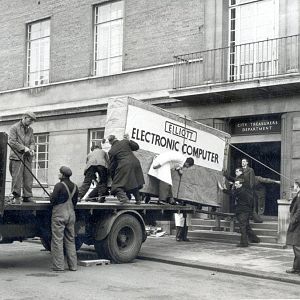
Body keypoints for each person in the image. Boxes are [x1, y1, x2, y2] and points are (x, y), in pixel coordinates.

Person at [50, 166, 79, 272]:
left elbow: (52, 201)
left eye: (59, 173)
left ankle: (58, 266)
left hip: (59, 215)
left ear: (62, 175)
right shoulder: (75, 186)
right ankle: (73, 266)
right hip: (71, 215)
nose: (58, 174)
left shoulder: (59, 186)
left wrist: (51, 195)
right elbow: (75, 203)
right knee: (71, 240)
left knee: (57, 240)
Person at [8, 111, 37, 204]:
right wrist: (24, 148)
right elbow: (12, 142)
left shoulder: (30, 130)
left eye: (32, 121)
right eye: (30, 120)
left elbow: (32, 142)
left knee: (28, 177)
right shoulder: (14, 128)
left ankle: (27, 196)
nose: (31, 122)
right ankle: (16, 196)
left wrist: (32, 149)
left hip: (27, 157)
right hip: (17, 157)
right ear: (24, 117)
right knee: (17, 177)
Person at [108, 135, 145, 204]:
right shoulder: (125, 142)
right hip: (136, 163)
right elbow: (136, 147)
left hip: (124, 165)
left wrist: (114, 179)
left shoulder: (111, 151)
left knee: (116, 186)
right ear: (116, 138)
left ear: (110, 142)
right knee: (133, 182)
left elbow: (113, 166)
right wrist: (129, 140)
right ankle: (138, 199)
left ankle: (124, 200)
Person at [232, 180, 260, 247]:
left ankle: (244, 243)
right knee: (246, 226)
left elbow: (232, 193)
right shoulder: (246, 191)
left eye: (236, 184)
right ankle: (255, 239)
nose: (235, 185)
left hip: (242, 211)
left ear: (240, 184)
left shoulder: (240, 191)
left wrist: (223, 189)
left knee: (242, 227)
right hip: (246, 211)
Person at [286, 179, 300, 274]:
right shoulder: (298, 196)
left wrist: (293, 220)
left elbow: (299, 211)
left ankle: (297, 268)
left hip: (298, 226)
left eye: (294, 185)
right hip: (297, 225)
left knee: (297, 247)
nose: (293, 187)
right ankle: (296, 268)